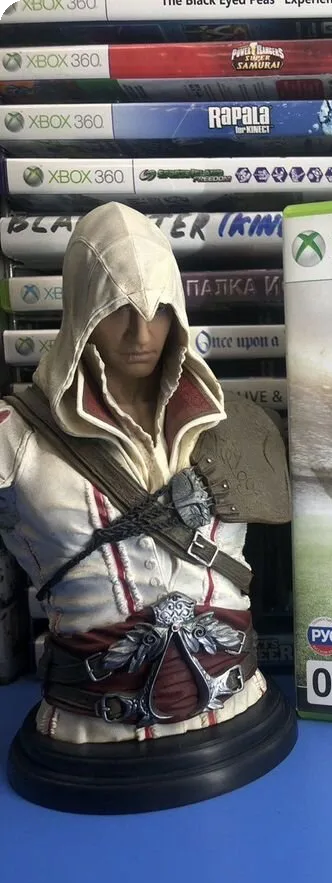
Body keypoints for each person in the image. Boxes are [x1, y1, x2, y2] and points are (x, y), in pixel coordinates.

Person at [0, 202, 290, 754]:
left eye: (158, 310)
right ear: (83, 311)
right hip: (90, 729)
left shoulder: (242, 426)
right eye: (118, 310)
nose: (142, 332)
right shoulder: (14, 438)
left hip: (239, 702)